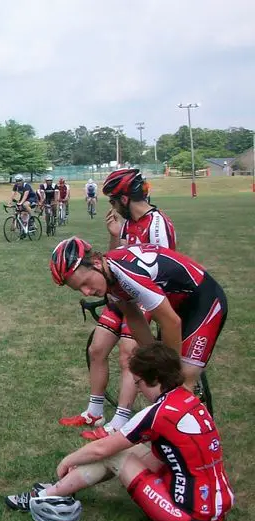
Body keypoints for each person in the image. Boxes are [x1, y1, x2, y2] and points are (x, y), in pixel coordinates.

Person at [6, 343, 233, 521]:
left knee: (115, 454)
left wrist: (68, 459)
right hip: (216, 509)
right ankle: (60, 489)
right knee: (143, 450)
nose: (138, 390)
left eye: (138, 383)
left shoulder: (158, 413)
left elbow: (102, 449)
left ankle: (44, 497)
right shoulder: (189, 399)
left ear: (153, 379)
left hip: (187, 516)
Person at [61, 168, 178, 439]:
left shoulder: (158, 224)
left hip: (147, 299)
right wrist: (114, 234)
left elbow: (166, 271)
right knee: (97, 348)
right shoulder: (126, 223)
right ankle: (94, 410)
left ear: (124, 199)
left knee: (129, 354)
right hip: (122, 293)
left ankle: (121, 422)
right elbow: (113, 261)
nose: (112, 206)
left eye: (113, 200)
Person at [50, 236, 227, 394]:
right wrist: (155, 358)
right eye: (79, 289)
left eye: (86, 283)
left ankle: (196, 423)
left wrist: (168, 371)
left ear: (96, 263)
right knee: (164, 379)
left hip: (206, 301)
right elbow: (134, 318)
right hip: (178, 302)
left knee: (182, 380)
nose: (86, 292)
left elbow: (172, 323)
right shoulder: (109, 276)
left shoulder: (125, 273)